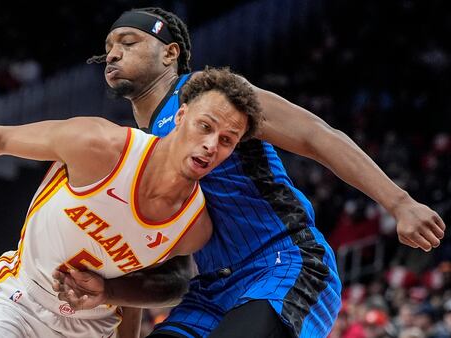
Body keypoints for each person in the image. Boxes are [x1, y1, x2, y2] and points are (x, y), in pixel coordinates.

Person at [50, 7, 446, 338]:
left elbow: (315, 135)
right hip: (207, 290)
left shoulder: (216, 95)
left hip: (283, 264)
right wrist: (112, 291)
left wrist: (400, 202)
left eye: (128, 42)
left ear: (170, 53)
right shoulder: (137, 147)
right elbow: (150, 267)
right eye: (109, 47)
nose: (113, 54)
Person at [0, 67, 263, 338]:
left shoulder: (195, 227)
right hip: (21, 300)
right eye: (205, 127)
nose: (211, 145)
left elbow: (168, 284)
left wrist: (107, 292)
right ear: (180, 117)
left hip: (91, 328)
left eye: (226, 140)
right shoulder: (99, 146)